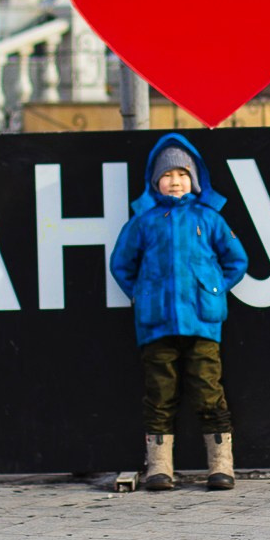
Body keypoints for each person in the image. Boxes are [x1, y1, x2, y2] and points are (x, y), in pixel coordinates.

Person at [110, 133, 249, 491]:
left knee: (208, 390)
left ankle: (221, 467)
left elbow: (236, 260)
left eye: (183, 174)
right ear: (155, 181)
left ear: (195, 179)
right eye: (168, 175)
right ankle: (159, 468)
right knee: (160, 393)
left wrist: (213, 291)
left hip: (202, 323)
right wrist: (141, 295)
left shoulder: (209, 218)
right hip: (157, 325)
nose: (176, 181)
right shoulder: (144, 222)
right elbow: (121, 264)